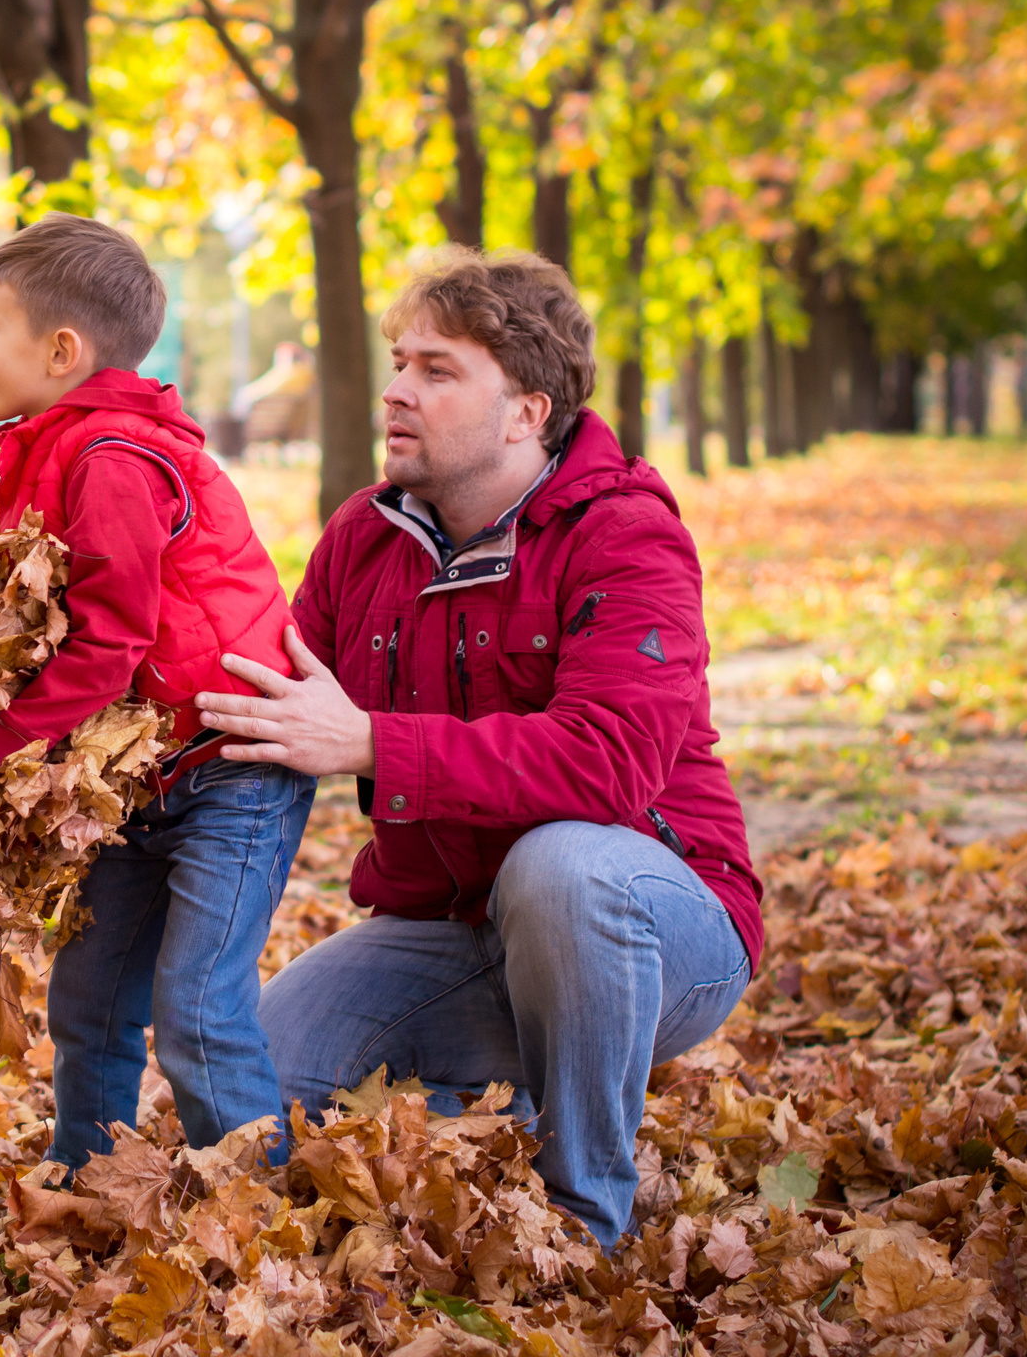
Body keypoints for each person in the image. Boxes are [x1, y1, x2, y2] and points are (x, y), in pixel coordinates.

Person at [194, 246, 763, 1246]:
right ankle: (496, 1127)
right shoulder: (362, 539)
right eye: (400, 362)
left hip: (662, 922)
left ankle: (585, 1222)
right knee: (262, 1093)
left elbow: (607, 766)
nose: (396, 390)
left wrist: (371, 742)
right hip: (455, 932)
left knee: (563, 867)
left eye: (436, 370)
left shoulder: (623, 533)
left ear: (526, 411)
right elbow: (273, 705)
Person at [0, 214, 315, 1171]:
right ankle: (88, 1175)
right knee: (89, 999)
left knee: (199, 1007)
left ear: (59, 349)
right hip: (143, 772)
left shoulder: (112, 458)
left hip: (231, 771)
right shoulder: (61, 445)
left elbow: (109, 643)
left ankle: (257, 1216)